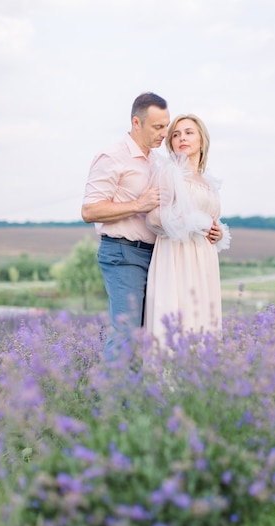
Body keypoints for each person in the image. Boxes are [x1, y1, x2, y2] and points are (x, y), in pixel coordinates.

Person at [81, 92, 170, 358]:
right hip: (123, 253)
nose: (164, 133)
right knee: (126, 338)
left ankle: (134, 400)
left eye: (166, 125)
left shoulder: (157, 161)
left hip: (156, 256)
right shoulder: (112, 156)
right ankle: (108, 401)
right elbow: (89, 210)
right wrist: (138, 205)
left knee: (147, 338)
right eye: (157, 127)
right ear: (136, 122)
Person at [144, 113, 230, 345]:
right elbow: (152, 216)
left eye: (189, 132)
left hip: (204, 258)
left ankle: (200, 376)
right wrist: (188, 222)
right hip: (176, 255)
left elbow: (211, 217)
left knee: (203, 318)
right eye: (176, 134)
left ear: (201, 140)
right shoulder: (168, 173)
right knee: (177, 314)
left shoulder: (208, 182)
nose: (182, 138)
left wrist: (218, 232)